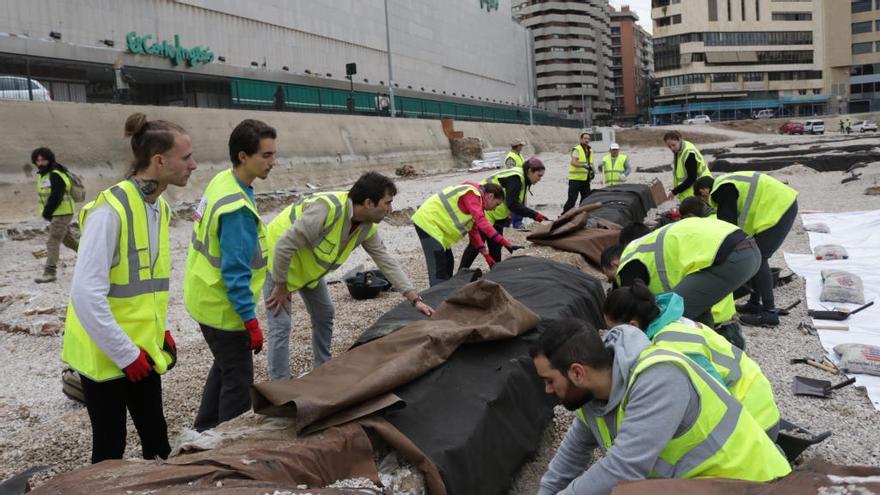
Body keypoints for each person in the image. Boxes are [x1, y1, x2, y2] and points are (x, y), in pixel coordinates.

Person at [61, 113, 195, 463]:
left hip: (141, 349)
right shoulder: (110, 210)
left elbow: (145, 285)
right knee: (109, 450)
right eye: (186, 158)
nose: (193, 165)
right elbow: (86, 295)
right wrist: (124, 353)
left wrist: (160, 330)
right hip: (106, 355)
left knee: (157, 440)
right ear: (159, 161)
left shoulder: (159, 208)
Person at [531, 319, 791, 495]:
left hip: (754, 484)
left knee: (626, 492)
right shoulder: (592, 397)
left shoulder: (659, 378)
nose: (547, 390)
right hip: (701, 485)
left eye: (550, 381)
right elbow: (572, 454)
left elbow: (623, 468)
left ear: (577, 373)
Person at [263, 172, 434, 375]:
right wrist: (281, 285)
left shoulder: (366, 226)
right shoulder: (327, 209)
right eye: (387, 203)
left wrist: (414, 299)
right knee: (281, 327)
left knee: (325, 313)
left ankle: (322, 368)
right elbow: (284, 246)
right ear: (369, 203)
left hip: (309, 273)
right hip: (278, 266)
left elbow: (385, 261)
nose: (391, 209)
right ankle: (279, 385)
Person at [184, 119, 275, 432]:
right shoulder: (236, 210)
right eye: (265, 155)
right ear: (242, 156)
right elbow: (235, 273)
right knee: (238, 382)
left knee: (225, 367)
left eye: (273, 155)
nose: (272, 162)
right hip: (223, 308)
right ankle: (225, 446)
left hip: (202, 296)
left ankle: (203, 430)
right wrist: (250, 322)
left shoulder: (223, 181)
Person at [603, 284, 780, 438]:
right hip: (757, 401)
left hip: (757, 421)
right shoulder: (670, 321)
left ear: (633, 326)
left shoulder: (671, 343)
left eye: (614, 331)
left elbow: (717, 397)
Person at [601, 216, 760, 330]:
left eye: (610, 278)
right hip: (746, 249)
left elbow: (637, 313)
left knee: (666, 318)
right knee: (694, 312)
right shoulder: (642, 247)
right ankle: (716, 347)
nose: (614, 283)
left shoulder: (629, 263)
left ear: (615, 263)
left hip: (732, 255)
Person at [694, 172, 799, 327]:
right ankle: (755, 304)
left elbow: (727, 227)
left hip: (780, 208)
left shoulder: (722, 190)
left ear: (704, 191)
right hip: (779, 205)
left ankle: (770, 313)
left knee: (759, 257)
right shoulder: (726, 184)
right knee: (754, 254)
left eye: (702, 199)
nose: (706, 204)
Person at [412, 182, 521, 286]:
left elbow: (474, 234)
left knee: (448, 262)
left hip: (437, 230)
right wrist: (505, 243)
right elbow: (482, 223)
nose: (494, 208)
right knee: (438, 266)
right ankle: (435, 297)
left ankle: (445, 293)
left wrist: (486, 255)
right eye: (497, 204)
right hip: (427, 223)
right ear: (490, 196)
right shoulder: (471, 194)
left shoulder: (476, 205)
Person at [459, 157, 548, 270]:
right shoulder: (516, 178)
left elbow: (512, 203)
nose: (539, 179)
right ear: (530, 171)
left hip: (497, 215)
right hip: (485, 210)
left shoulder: (522, 178)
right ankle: (461, 272)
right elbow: (512, 204)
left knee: (496, 246)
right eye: (539, 176)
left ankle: (496, 272)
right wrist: (534, 215)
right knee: (476, 245)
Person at [32, 147, 80, 283]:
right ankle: (90, 256)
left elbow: (56, 196)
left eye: (43, 159)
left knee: (53, 241)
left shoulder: (55, 174)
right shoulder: (44, 174)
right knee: (68, 240)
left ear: (49, 159)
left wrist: (47, 212)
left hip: (62, 213)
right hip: (57, 213)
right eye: (38, 160)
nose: (40, 162)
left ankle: (50, 272)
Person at [663, 130, 711, 202]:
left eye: (673, 145)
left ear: (679, 140)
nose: (672, 148)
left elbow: (691, 178)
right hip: (691, 191)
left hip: (699, 191)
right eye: (669, 146)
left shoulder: (689, 153)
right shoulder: (680, 149)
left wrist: (674, 191)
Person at [563, 132, 594, 213]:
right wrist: (583, 166)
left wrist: (592, 171)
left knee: (586, 199)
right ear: (581, 139)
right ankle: (563, 215)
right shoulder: (577, 149)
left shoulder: (590, 150)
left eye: (588, 139)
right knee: (572, 200)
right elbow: (573, 162)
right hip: (575, 180)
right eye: (585, 138)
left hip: (586, 180)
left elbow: (590, 164)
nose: (587, 140)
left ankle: (580, 214)